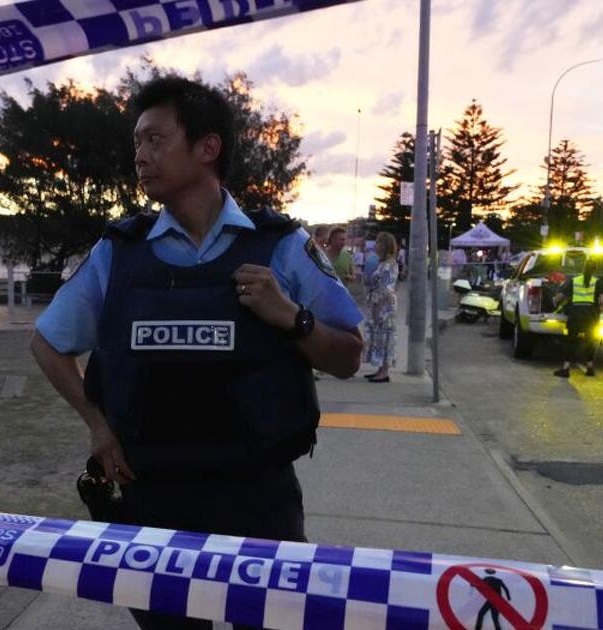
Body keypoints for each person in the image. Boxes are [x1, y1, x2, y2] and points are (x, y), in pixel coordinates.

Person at [29, 77, 364, 630]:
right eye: (137, 142)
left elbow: (350, 356)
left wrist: (292, 318)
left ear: (207, 148)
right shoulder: (120, 252)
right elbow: (46, 343)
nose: (140, 155)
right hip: (154, 496)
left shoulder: (280, 244)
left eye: (156, 139)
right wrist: (96, 425)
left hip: (258, 498)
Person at [553, 258, 603, 378]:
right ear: (595, 270)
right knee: (590, 341)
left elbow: (560, 296)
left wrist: (554, 302)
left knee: (570, 342)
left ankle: (566, 369)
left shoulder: (574, 281)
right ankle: (590, 368)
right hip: (591, 317)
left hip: (575, 316)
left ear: (583, 268)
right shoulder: (599, 282)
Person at [364, 232, 399, 383]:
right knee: (378, 337)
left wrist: (378, 308)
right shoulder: (384, 263)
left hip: (384, 304)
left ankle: (384, 371)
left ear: (385, 246)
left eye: (378, 243)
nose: (375, 245)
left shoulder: (389, 265)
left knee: (384, 337)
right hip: (379, 302)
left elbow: (386, 288)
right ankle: (380, 368)